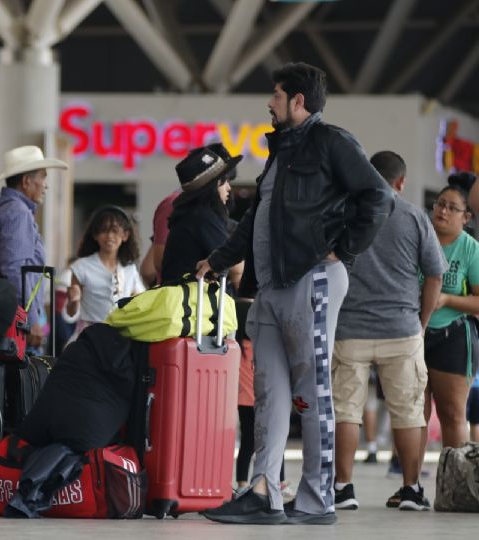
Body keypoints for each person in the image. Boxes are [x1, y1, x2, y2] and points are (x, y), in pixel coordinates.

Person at [198, 62, 394, 525]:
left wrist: (342, 250)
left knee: (313, 392)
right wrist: (220, 259)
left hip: (313, 282)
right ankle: (264, 490)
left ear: (298, 102)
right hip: (270, 288)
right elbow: (257, 218)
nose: (270, 102)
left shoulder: (332, 142)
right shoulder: (281, 152)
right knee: (269, 394)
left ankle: (317, 498)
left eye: (277, 95)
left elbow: (378, 196)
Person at [330, 150, 444, 512]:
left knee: (345, 411)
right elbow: (435, 275)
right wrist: (421, 321)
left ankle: (343, 488)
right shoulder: (414, 217)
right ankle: (410, 489)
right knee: (408, 413)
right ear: (401, 182)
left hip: (350, 330)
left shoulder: (346, 213)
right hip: (402, 329)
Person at [0, 146, 68, 352]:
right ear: (26, 182)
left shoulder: (0, 207)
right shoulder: (18, 213)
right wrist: (30, 320)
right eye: (43, 178)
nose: (46, 186)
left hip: (7, 315)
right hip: (18, 320)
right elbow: (15, 270)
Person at [422, 184, 479, 455]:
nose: (443, 211)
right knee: (413, 414)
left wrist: (446, 300)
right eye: (439, 204)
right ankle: (411, 486)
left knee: (452, 413)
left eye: (451, 207)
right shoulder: (421, 237)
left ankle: (454, 486)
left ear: (465, 217)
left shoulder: (471, 249)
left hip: (454, 337)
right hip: (414, 334)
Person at [160, 144, 243, 288]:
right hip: (191, 306)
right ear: (212, 188)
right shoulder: (202, 217)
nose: (228, 188)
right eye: (223, 181)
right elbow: (235, 264)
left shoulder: (193, 214)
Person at [62, 206, 145, 342]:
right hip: (89, 338)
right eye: (104, 231)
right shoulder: (81, 267)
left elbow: (140, 302)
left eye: (115, 231)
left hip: (120, 338)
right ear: (95, 235)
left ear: (125, 235)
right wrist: (73, 300)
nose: (110, 236)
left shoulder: (130, 269)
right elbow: (71, 313)